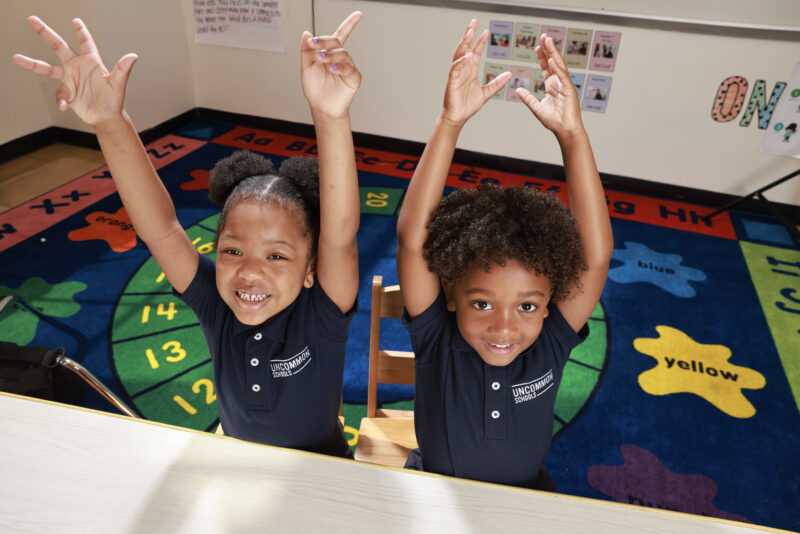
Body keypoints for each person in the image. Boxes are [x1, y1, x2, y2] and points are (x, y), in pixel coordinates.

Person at [13, 12, 363, 458]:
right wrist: (109, 122)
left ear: (311, 270)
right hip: (238, 466)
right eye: (233, 251)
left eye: (277, 257)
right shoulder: (217, 305)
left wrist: (330, 115)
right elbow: (160, 228)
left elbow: (340, 235)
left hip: (325, 471)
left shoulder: (323, 314)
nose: (249, 272)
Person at [396, 20, 613, 489]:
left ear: (551, 298)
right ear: (449, 293)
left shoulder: (549, 343)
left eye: (528, 306)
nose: (504, 326)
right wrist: (449, 122)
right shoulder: (437, 338)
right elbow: (414, 239)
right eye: (481, 302)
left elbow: (594, 259)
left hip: (525, 498)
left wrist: (573, 136)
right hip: (430, 491)